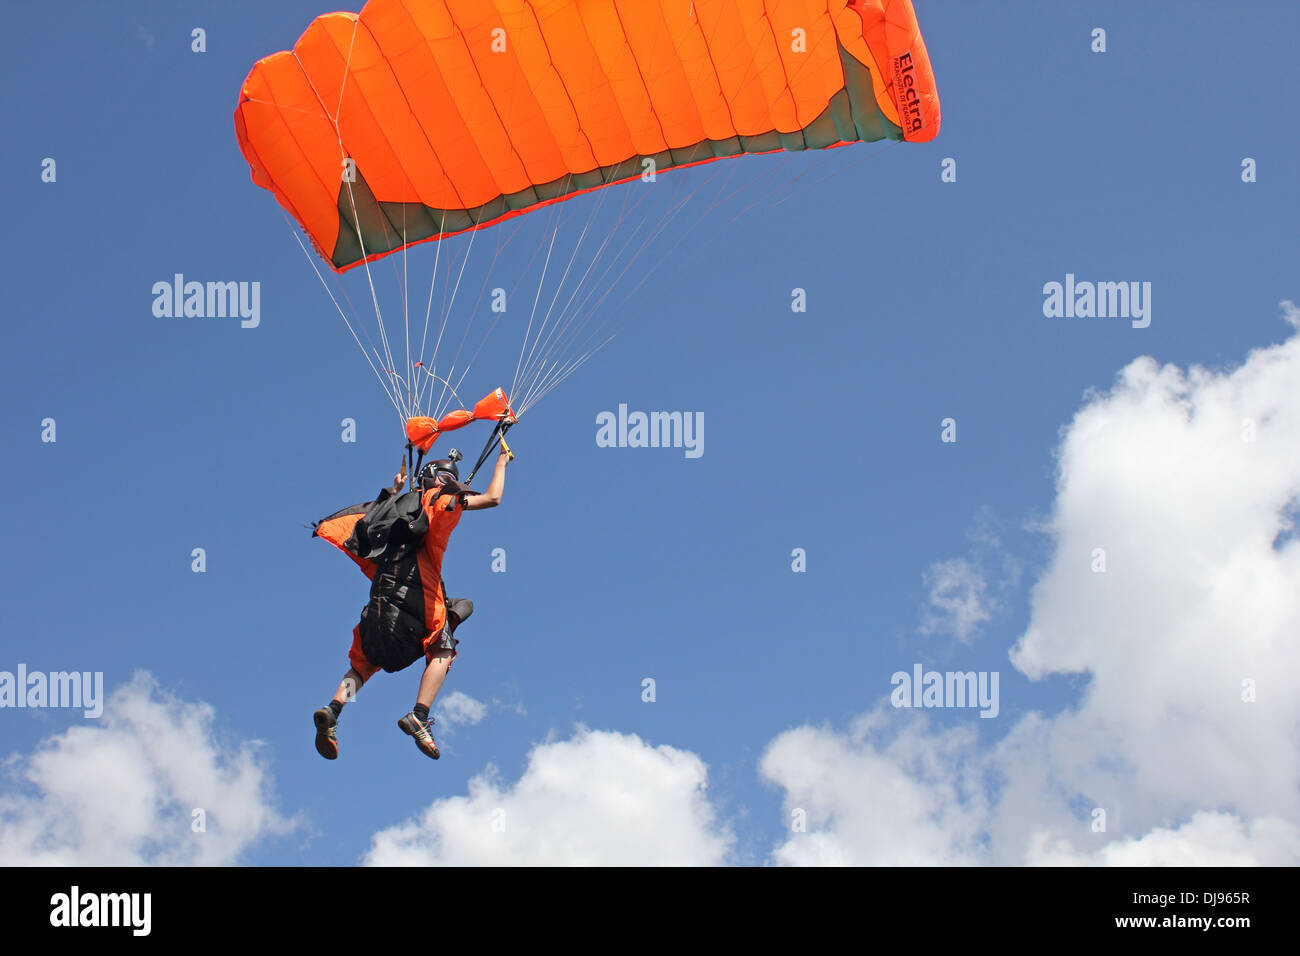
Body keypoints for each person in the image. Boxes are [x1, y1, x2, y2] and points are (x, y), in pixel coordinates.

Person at [314, 444, 510, 761]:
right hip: (418, 598)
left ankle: (333, 709)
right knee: (443, 647)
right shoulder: (436, 501)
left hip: (379, 605)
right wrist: (501, 461)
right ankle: (419, 715)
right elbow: (492, 498)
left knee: (362, 666)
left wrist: (392, 492)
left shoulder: (390, 513)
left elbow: (361, 533)